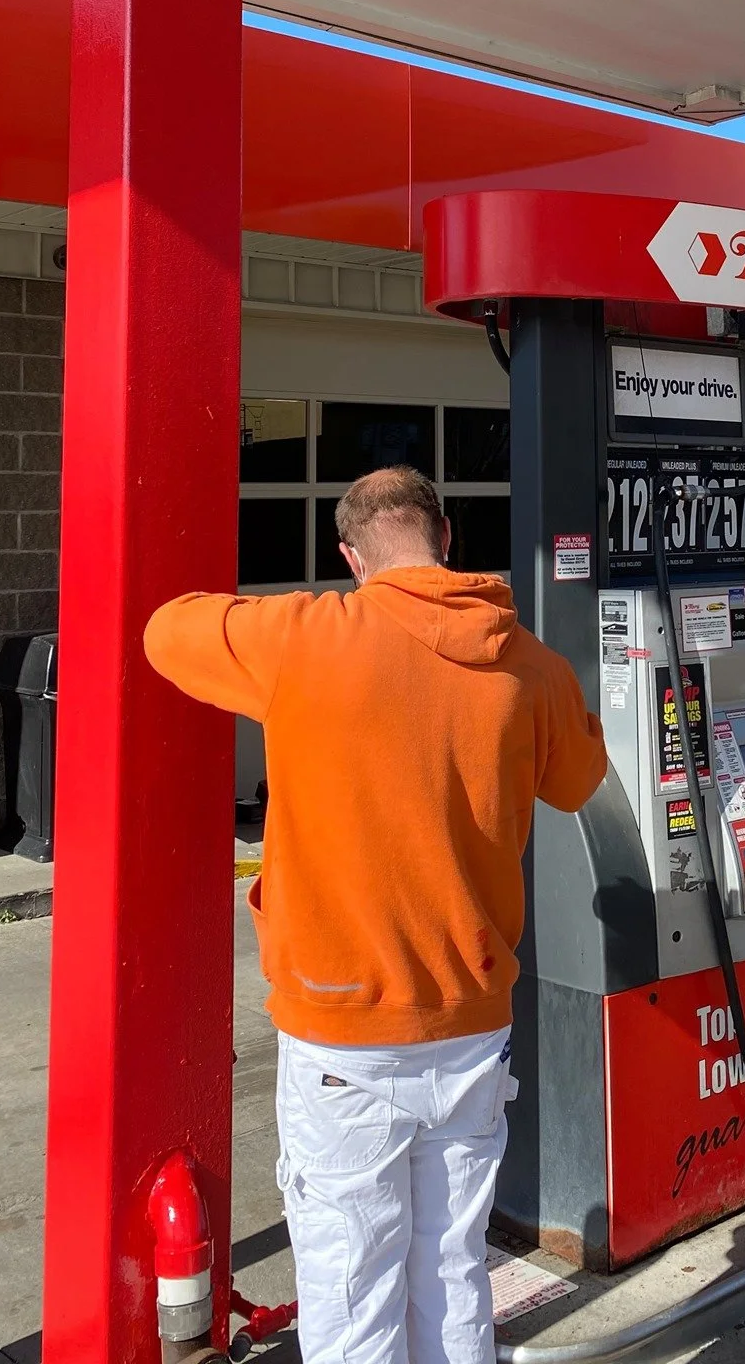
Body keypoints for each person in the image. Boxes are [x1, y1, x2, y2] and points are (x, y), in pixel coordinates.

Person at [143, 464, 607, 1364]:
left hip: (341, 1035)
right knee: (452, 1270)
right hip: (471, 1027)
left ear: (352, 556)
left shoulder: (302, 637)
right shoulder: (530, 664)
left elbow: (166, 629)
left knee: (352, 1291)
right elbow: (583, 779)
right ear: (447, 541)